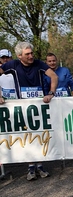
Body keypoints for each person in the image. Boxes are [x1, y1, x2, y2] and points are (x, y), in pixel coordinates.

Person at [0, 42, 58, 181]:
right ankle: (31, 168)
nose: (31, 56)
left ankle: (40, 166)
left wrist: (51, 93)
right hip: (23, 107)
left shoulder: (38, 64)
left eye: (31, 53)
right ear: (20, 56)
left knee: (40, 136)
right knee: (27, 136)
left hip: (39, 105)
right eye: (27, 54)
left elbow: (54, 77)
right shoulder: (13, 65)